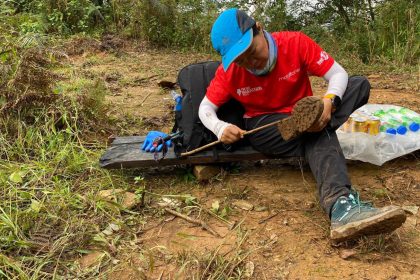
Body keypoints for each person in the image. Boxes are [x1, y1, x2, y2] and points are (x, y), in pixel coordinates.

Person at [198, 8, 406, 242]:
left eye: (251, 52)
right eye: (240, 60)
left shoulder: (295, 43)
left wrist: (330, 101)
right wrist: (220, 128)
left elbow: (337, 73)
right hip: (267, 128)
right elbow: (205, 109)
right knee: (315, 132)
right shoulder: (230, 72)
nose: (250, 63)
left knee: (358, 85)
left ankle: (340, 203)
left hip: (308, 118)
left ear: (259, 28)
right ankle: (341, 205)